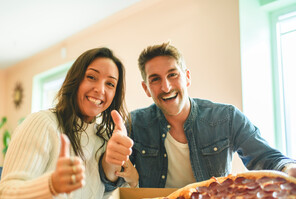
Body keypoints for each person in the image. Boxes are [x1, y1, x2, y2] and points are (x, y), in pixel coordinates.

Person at [100, 42, 296, 191]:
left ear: (187, 77)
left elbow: (268, 158)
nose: (166, 87)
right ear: (146, 88)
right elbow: (112, 182)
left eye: (172, 75)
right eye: (155, 79)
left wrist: (288, 169)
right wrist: (111, 160)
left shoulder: (226, 117)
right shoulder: (135, 124)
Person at [0, 47, 138, 199]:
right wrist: (52, 186)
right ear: (75, 79)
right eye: (91, 77)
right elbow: (3, 198)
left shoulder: (106, 137)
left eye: (110, 84)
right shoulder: (42, 123)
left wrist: (125, 175)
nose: (100, 89)